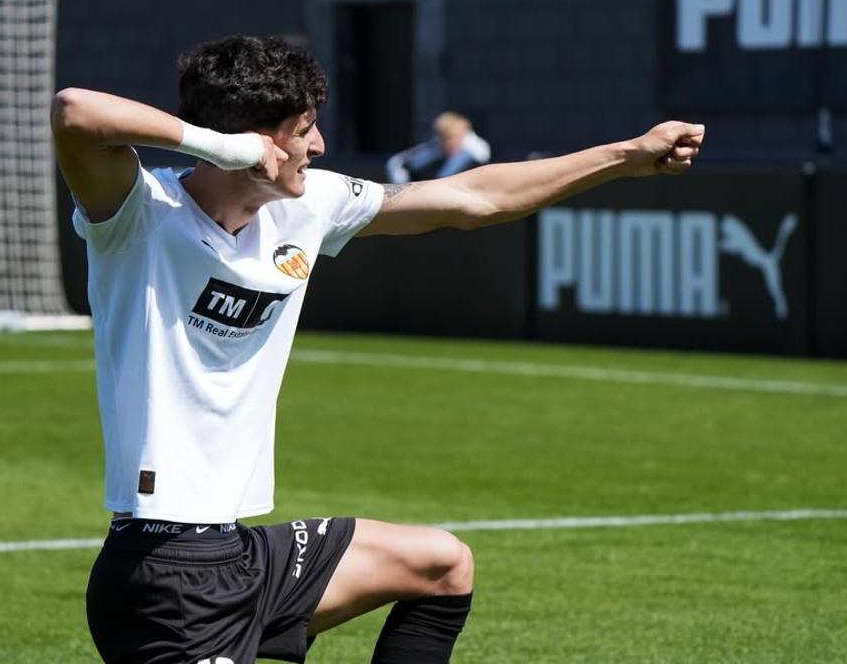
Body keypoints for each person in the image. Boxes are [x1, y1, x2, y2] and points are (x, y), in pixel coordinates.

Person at [50, 35, 704, 664]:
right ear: (259, 140)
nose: (320, 144)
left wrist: (627, 156)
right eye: (305, 129)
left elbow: (473, 198)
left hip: (242, 554)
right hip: (162, 575)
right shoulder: (139, 216)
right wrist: (221, 148)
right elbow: (75, 111)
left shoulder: (306, 208)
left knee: (441, 564)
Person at [385, 111, 490, 183]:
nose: (451, 144)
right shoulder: (437, 145)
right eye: (446, 140)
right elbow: (398, 162)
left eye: (454, 139)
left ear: (462, 137)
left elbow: (444, 177)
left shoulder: (475, 150)